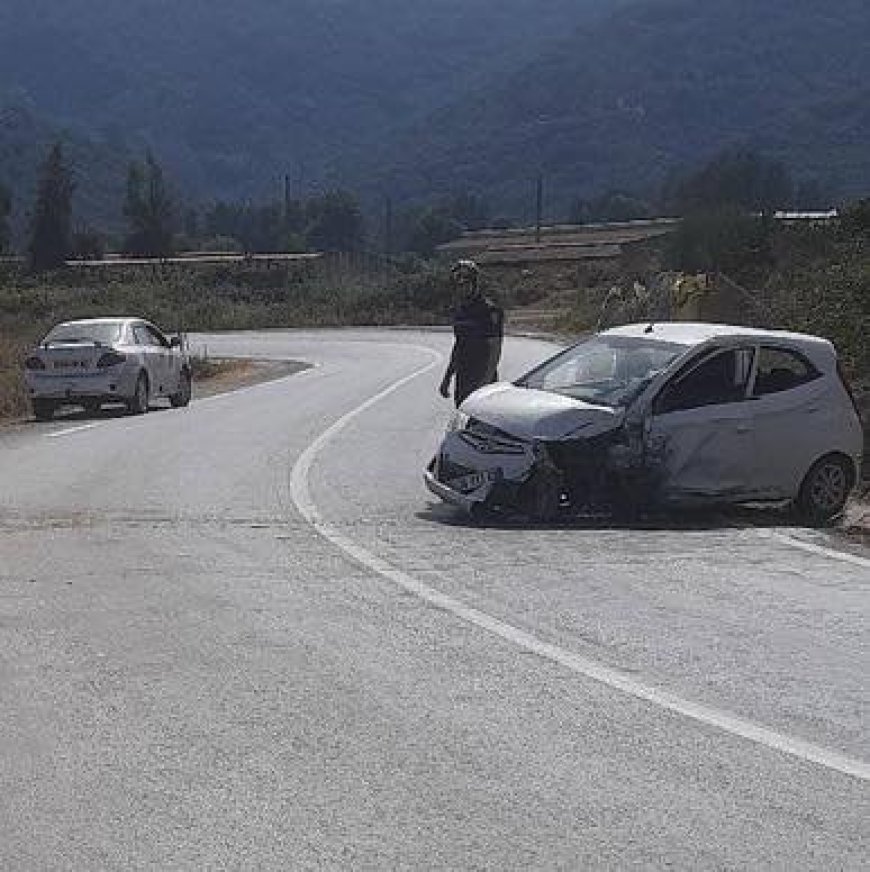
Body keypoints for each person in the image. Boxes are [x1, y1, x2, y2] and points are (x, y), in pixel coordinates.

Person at [439, 259, 504, 406]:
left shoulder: (489, 310)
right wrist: (447, 377)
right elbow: (459, 345)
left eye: (466, 283)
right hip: (463, 378)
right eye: (459, 285)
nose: (462, 288)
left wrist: (485, 383)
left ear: (474, 283)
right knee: (462, 422)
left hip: (483, 378)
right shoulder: (460, 311)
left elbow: (495, 349)